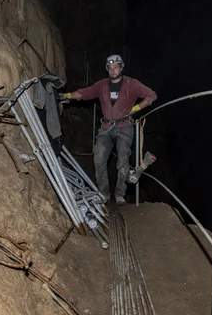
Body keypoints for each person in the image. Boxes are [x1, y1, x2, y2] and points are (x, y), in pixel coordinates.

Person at [61, 54, 157, 204]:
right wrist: (66, 95)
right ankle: (104, 194)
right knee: (98, 158)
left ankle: (120, 195)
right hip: (106, 128)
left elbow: (151, 95)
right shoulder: (102, 85)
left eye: (115, 67)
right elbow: (83, 93)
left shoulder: (131, 84)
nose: (113, 70)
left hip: (125, 127)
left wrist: (137, 107)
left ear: (121, 68)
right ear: (107, 70)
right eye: (110, 68)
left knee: (122, 163)